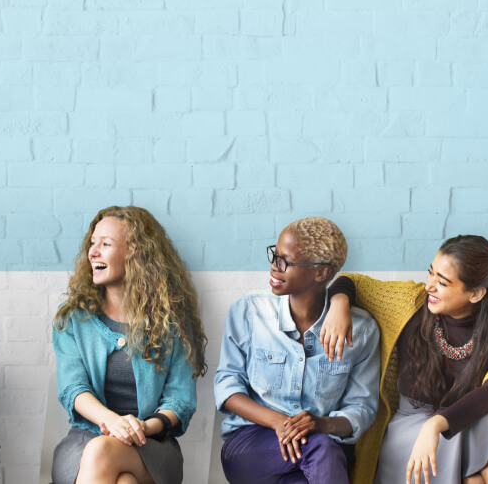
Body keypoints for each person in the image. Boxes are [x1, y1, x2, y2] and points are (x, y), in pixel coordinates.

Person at [323, 235, 488, 484]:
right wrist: (338, 305)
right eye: (430, 273)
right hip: (409, 428)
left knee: (483, 439)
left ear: (476, 293)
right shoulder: (408, 302)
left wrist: (435, 426)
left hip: (468, 421)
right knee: (485, 462)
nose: (429, 286)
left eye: (442, 282)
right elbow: (352, 282)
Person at [214, 217, 380, 484]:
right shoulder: (249, 312)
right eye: (274, 255)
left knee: (315, 458)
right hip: (252, 446)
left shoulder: (361, 331)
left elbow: (361, 407)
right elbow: (227, 386)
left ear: (321, 273)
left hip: (325, 448)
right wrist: (280, 422)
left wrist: (320, 424)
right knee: (320, 448)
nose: (274, 266)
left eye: (285, 261)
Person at [51, 205, 207, 484]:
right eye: (92, 243)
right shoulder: (72, 318)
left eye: (106, 244)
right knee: (123, 481)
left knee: (103, 454)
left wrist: (142, 428)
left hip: (152, 444)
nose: (93, 252)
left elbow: (180, 402)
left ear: (136, 254)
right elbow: (73, 389)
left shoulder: (172, 323)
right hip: (85, 441)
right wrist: (114, 422)